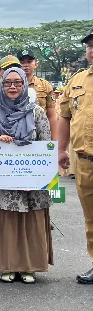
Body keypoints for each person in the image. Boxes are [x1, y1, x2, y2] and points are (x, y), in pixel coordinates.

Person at [0, 67, 53, 284]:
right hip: (3, 179)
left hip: (30, 180)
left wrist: (36, 176)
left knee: (30, 221)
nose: (13, 87)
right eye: (8, 83)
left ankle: (28, 266)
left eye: (18, 83)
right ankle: (7, 265)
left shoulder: (36, 112)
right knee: (5, 221)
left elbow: (46, 143)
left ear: (24, 85)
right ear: (2, 85)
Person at [59, 26, 93, 284]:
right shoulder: (77, 81)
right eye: (89, 46)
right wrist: (61, 149)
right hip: (84, 162)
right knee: (90, 217)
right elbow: (65, 117)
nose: (92, 50)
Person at [18, 50, 57, 139]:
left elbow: (52, 115)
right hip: (17, 132)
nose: (25, 65)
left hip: (41, 131)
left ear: (36, 64)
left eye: (29, 61)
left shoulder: (44, 85)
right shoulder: (12, 85)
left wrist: (54, 141)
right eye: (22, 62)